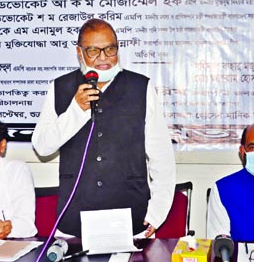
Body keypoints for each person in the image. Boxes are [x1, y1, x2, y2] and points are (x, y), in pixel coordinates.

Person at [32, 18, 176, 238]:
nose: (103, 58)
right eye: (93, 51)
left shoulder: (141, 88)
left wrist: (157, 212)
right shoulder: (60, 87)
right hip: (74, 222)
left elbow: (162, 156)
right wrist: (76, 110)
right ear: (79, 53)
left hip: (131, 219)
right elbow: (42, 146)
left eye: (110, 49)